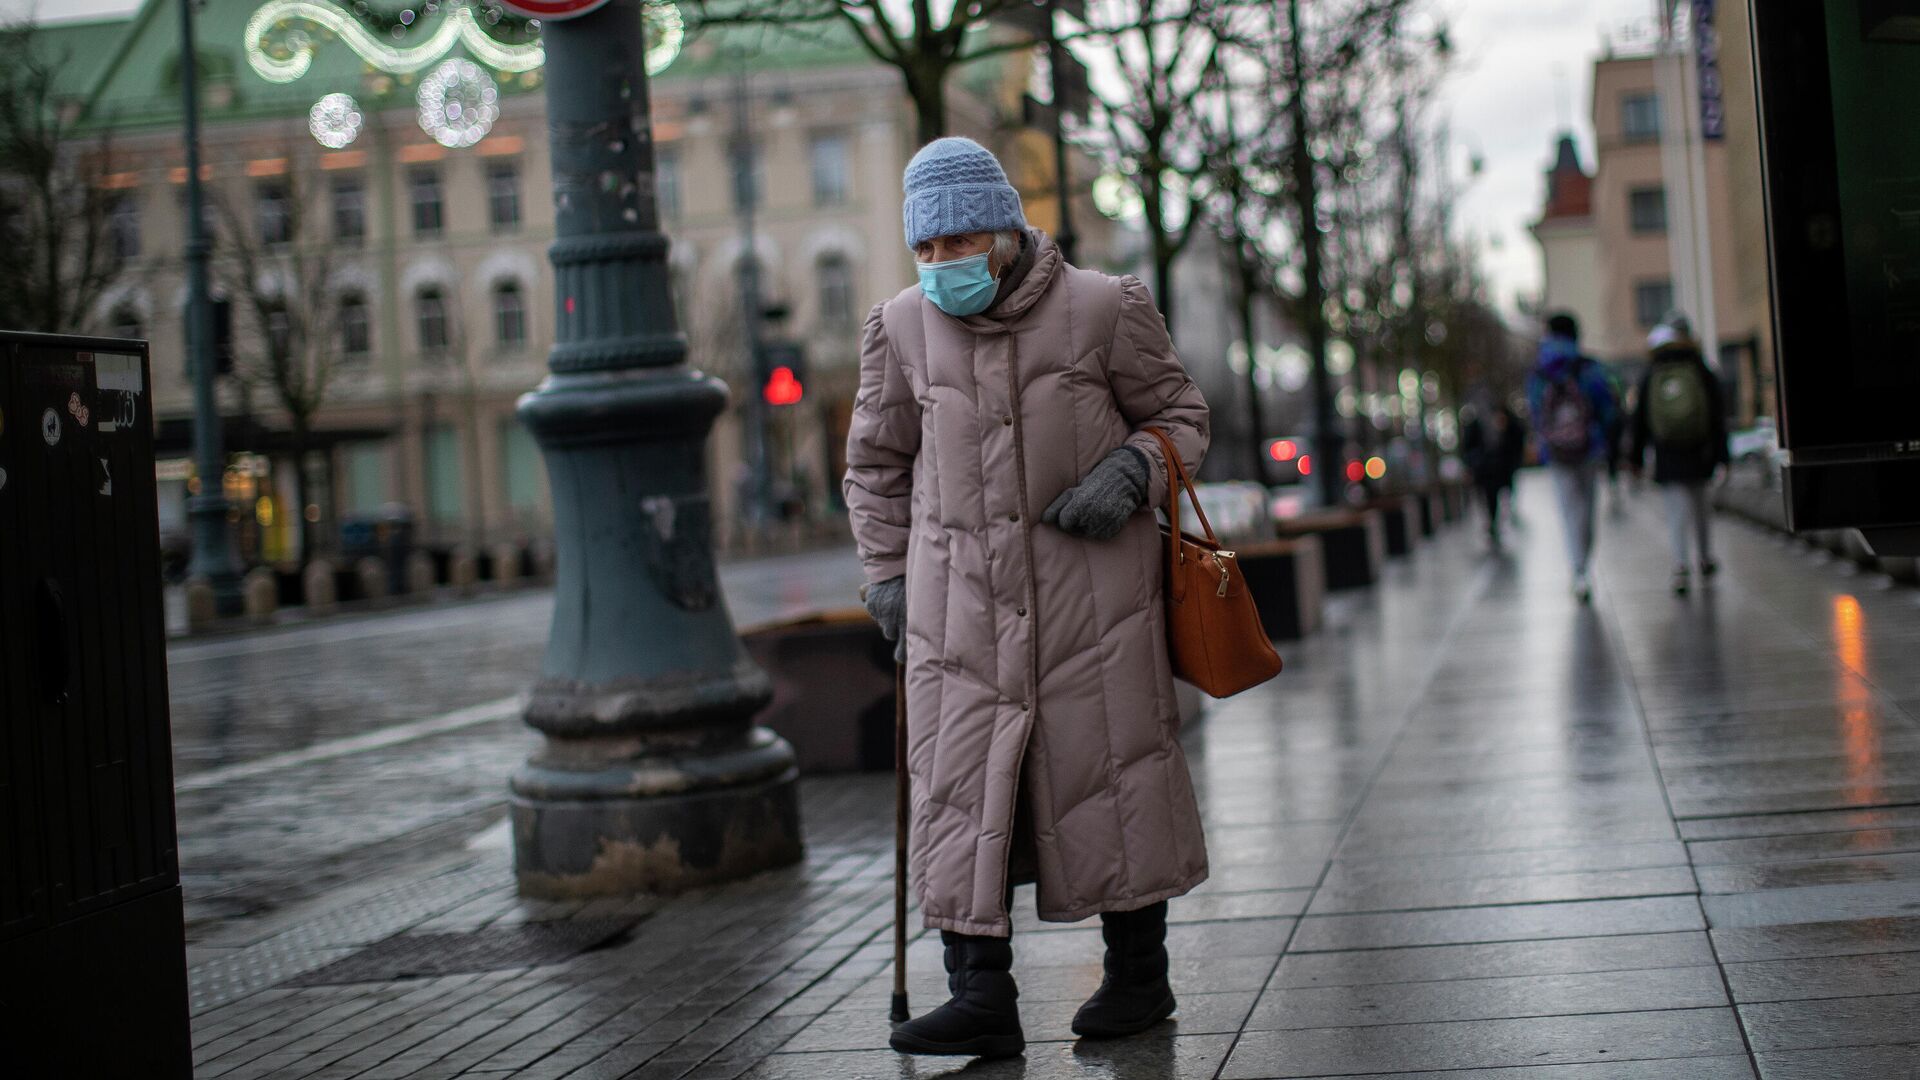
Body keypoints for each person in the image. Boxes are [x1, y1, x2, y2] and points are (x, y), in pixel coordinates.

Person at [844, 137, 1211, 1060]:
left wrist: (1131, 472)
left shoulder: (1102, 308)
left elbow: (1181, 416)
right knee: (961, 791)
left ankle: (1138, 977)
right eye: (926, 249)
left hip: (1092, 603)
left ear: (1006, 230)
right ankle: (979, 995)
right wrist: (887, 577)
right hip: (958, 612)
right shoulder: (899, 328)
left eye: (960, 241)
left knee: (1112, 775)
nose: (942, 265)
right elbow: (875, 466)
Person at [1627, 313, 1729, 595]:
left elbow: (1640, 419)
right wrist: (1723, 455)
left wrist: (1634, 458)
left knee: (1675, 512)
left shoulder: (1652, 370)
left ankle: (1680, 564)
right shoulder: (1700, 367)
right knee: (1700, 508)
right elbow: (1717, 416)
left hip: (1667, 454)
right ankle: (1705, 557)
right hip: (1700, 452)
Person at [1527, 312, 1618, 603]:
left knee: (1568, 510)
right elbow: (1606, 405)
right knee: (1587, 509)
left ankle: (1578, 571)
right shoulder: (1587, 366)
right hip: (1589, 447)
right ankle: (1583, 563)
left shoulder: (1540, 370)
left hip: (1556, 452)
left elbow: (1536, 411)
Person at [1461, 399, 1527, 549]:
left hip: (1501, 467)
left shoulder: (1506, 422)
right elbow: (1468, 447)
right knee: (1490, 496)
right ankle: (1493, 521)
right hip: (1486, 469)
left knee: (1499, 492)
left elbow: (1516, 439)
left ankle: (1496, 519)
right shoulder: (1477, 425)